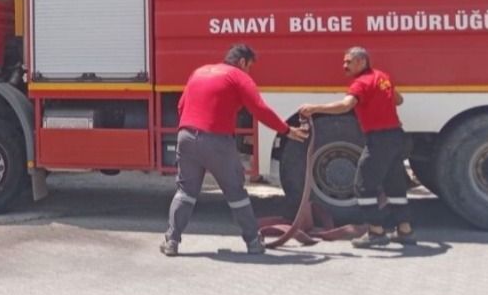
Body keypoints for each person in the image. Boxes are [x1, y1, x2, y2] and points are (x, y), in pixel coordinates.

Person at [162, 44, 308, 257]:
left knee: (185, 192)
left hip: (186, 136)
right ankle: (253, 242)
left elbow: (181, 106)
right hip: (217, 141)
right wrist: (285, 130)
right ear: (242, 62)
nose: (249, 71)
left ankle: (171, 241)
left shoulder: (199, 72)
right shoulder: (238, 77)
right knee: (236, 193)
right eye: (249, 66)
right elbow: (260, 109)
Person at [299, 46, 413, 248]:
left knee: (362, 185)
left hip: (379, 140)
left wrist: (315, 108)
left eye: (348, 62)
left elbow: (345, 106)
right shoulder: (382, 77)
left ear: (362, 61)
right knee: (395, 184)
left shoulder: (360, 83)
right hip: (396, 136)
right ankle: (404, 230)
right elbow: (399, 100)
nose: (344, 66)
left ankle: (376, 231)